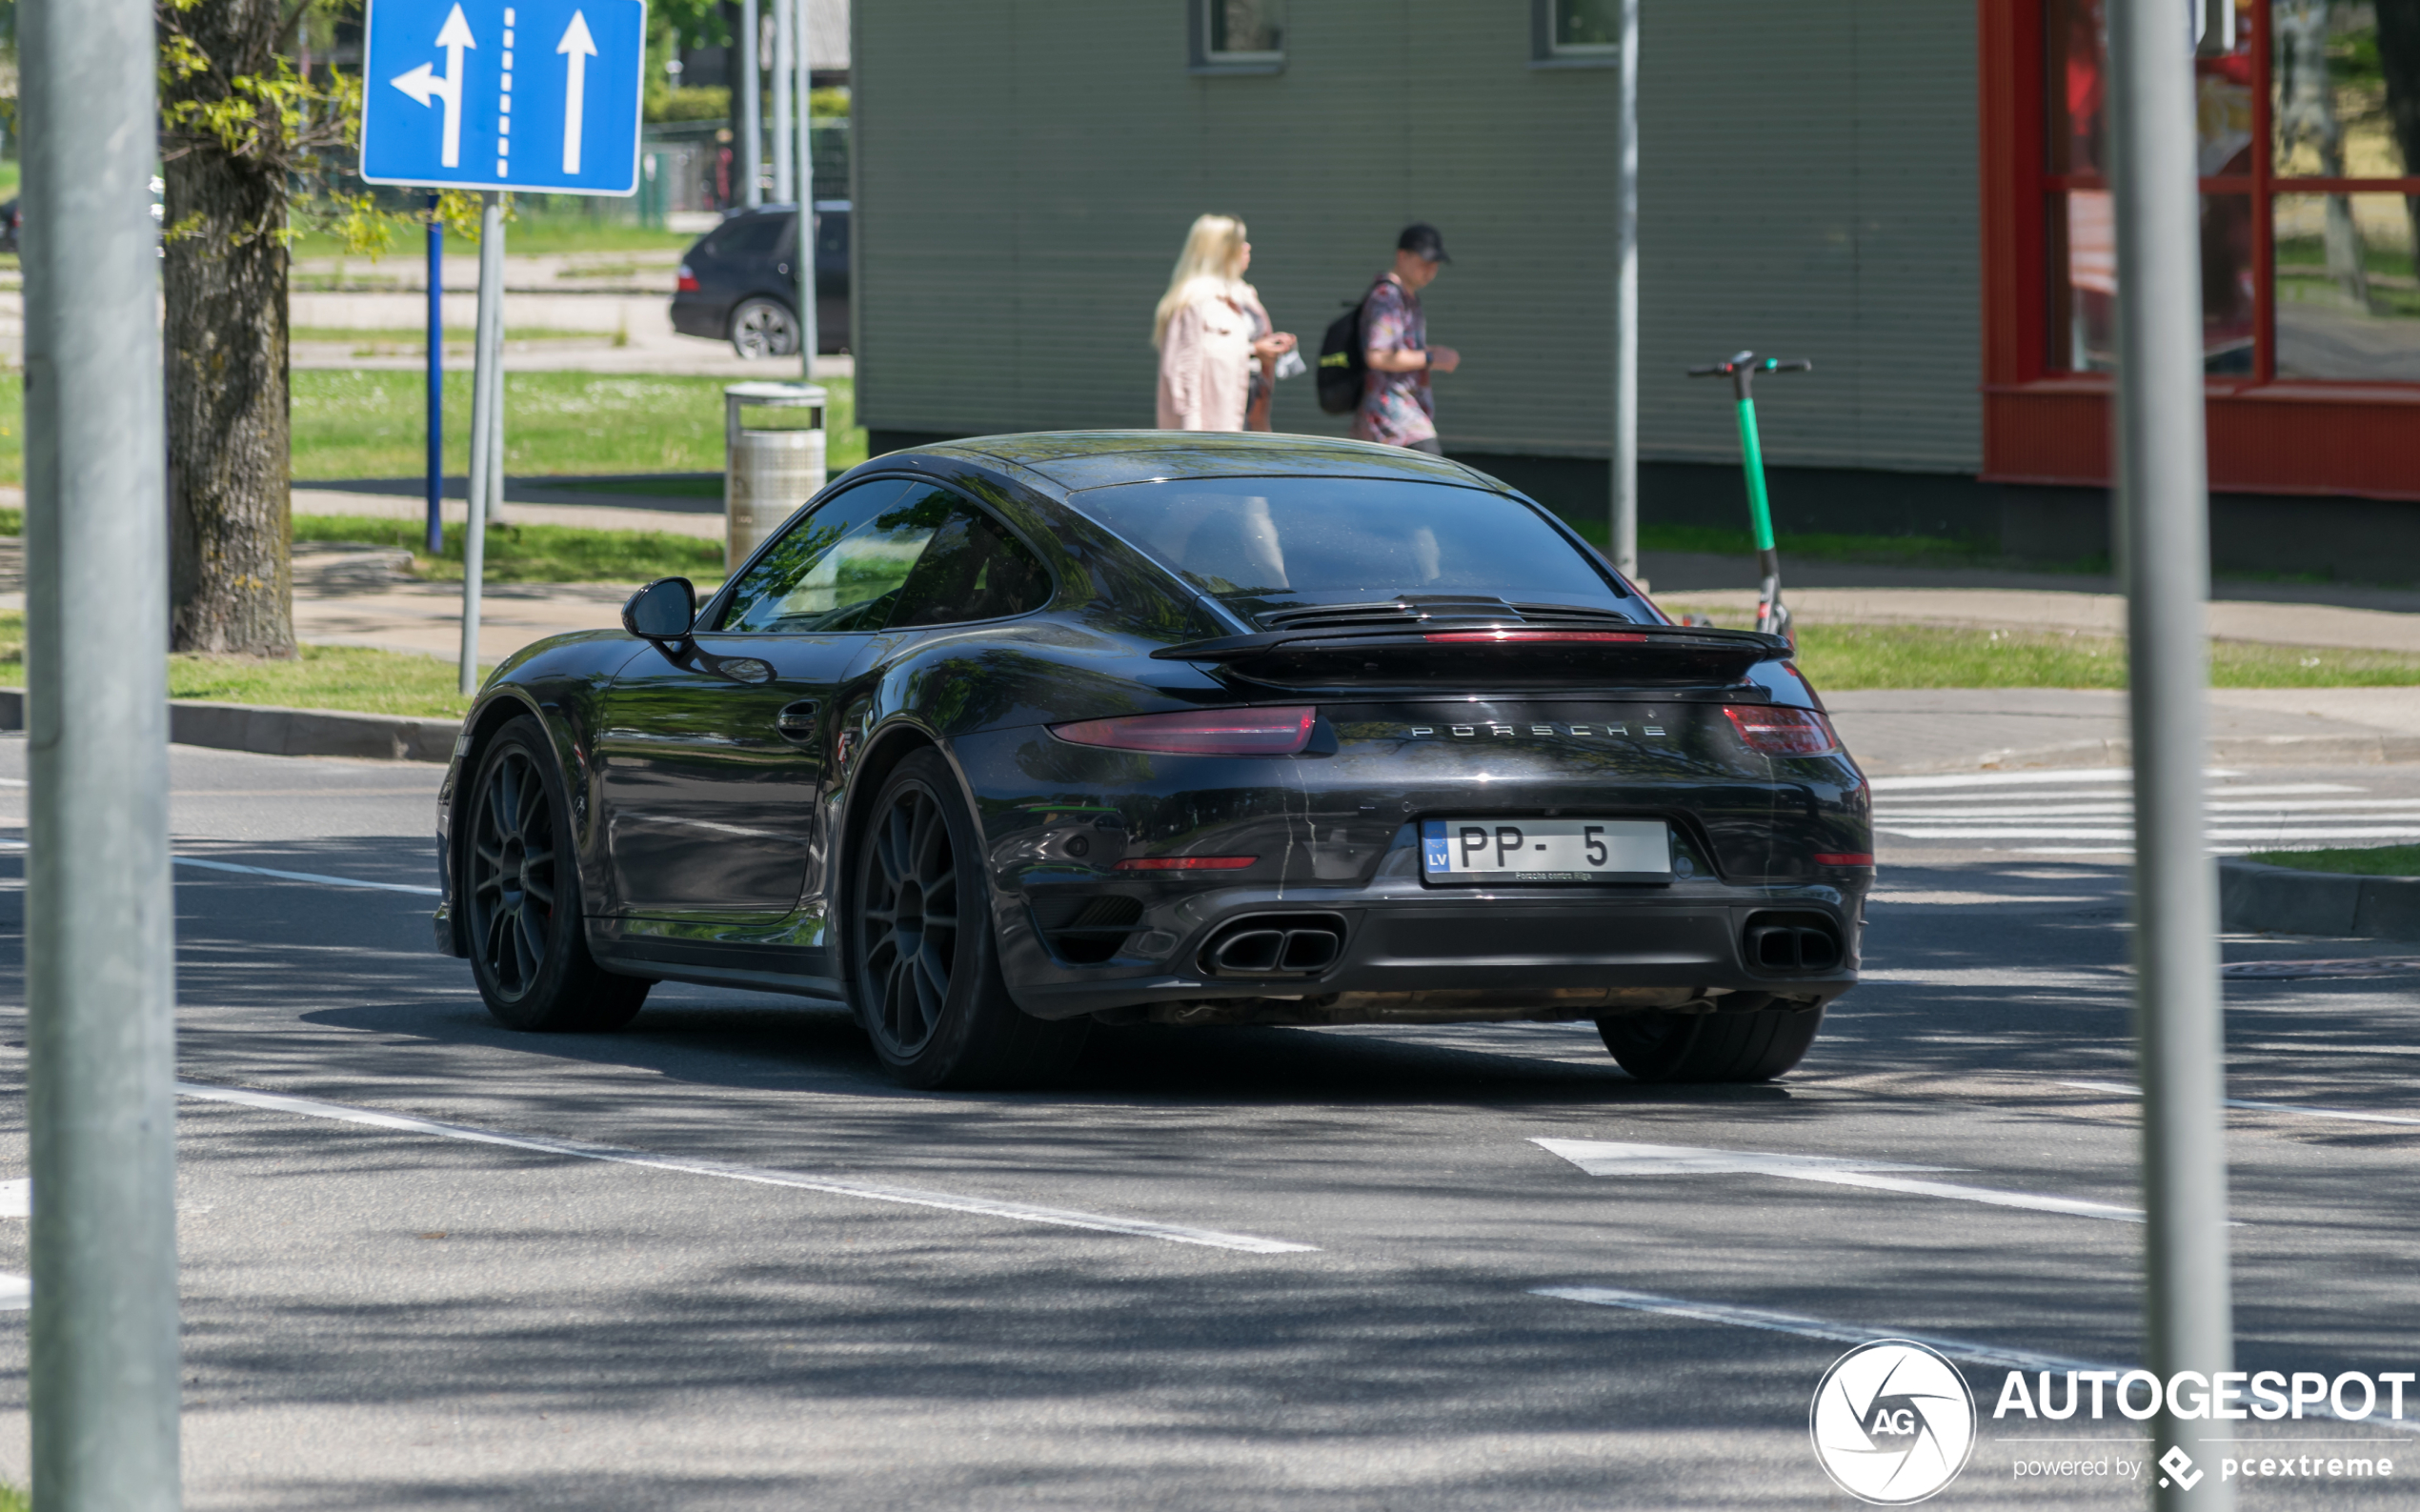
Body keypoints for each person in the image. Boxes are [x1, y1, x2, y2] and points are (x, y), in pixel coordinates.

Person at [1153, 214, 1298, 432]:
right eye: (1239, 243)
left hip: (1250, 412)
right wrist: (1191, 439)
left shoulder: (1244, 293)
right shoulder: (1193, 301)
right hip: (1215, 425)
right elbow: (1182, 376)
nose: (1247, 247)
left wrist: (1270, 346)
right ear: (1221, 251)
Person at [1354, 223, 1461, 454]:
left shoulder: (1407, 297)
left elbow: (1401, 350)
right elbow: (1378, 356)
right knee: (1433, 473)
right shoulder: (1387, 296)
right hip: (1391, 417)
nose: (1430, 270)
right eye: (1424, 263)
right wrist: (1430, 357)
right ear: (1402, 256)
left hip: (1403, 415)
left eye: (1435, 265)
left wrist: (1433, 354)